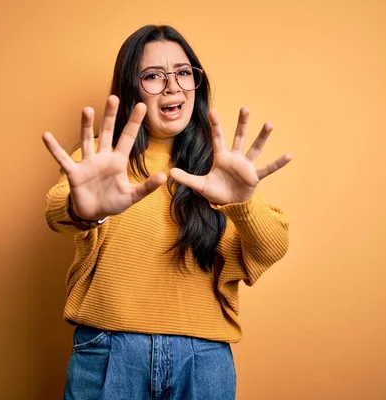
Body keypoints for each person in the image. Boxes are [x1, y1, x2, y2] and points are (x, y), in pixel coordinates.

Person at [42, 24, 292, 400]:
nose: (173, 86)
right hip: (110, 352)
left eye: (183, 73)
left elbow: (271, 248)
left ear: (197, 83)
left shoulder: (222, 168)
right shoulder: (102, 159)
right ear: (131, 88)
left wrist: (241, 202)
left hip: (203, 361)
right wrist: (82, 209)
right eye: (154, 76)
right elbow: (56, 208)